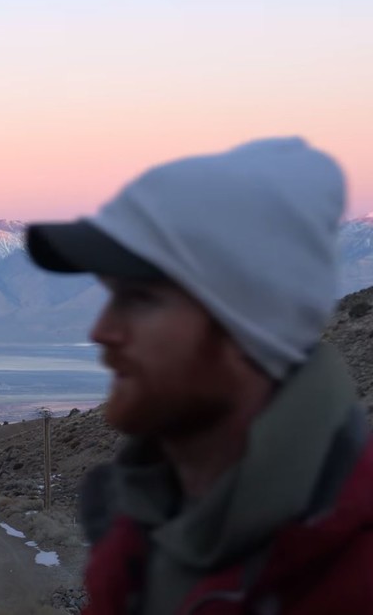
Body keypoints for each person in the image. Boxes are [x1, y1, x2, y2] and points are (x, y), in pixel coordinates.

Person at [25, 138, 373, 614]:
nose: (102, 331)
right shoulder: (143, 540)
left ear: (244, 326)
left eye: (141, 299)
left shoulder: (351, 576)